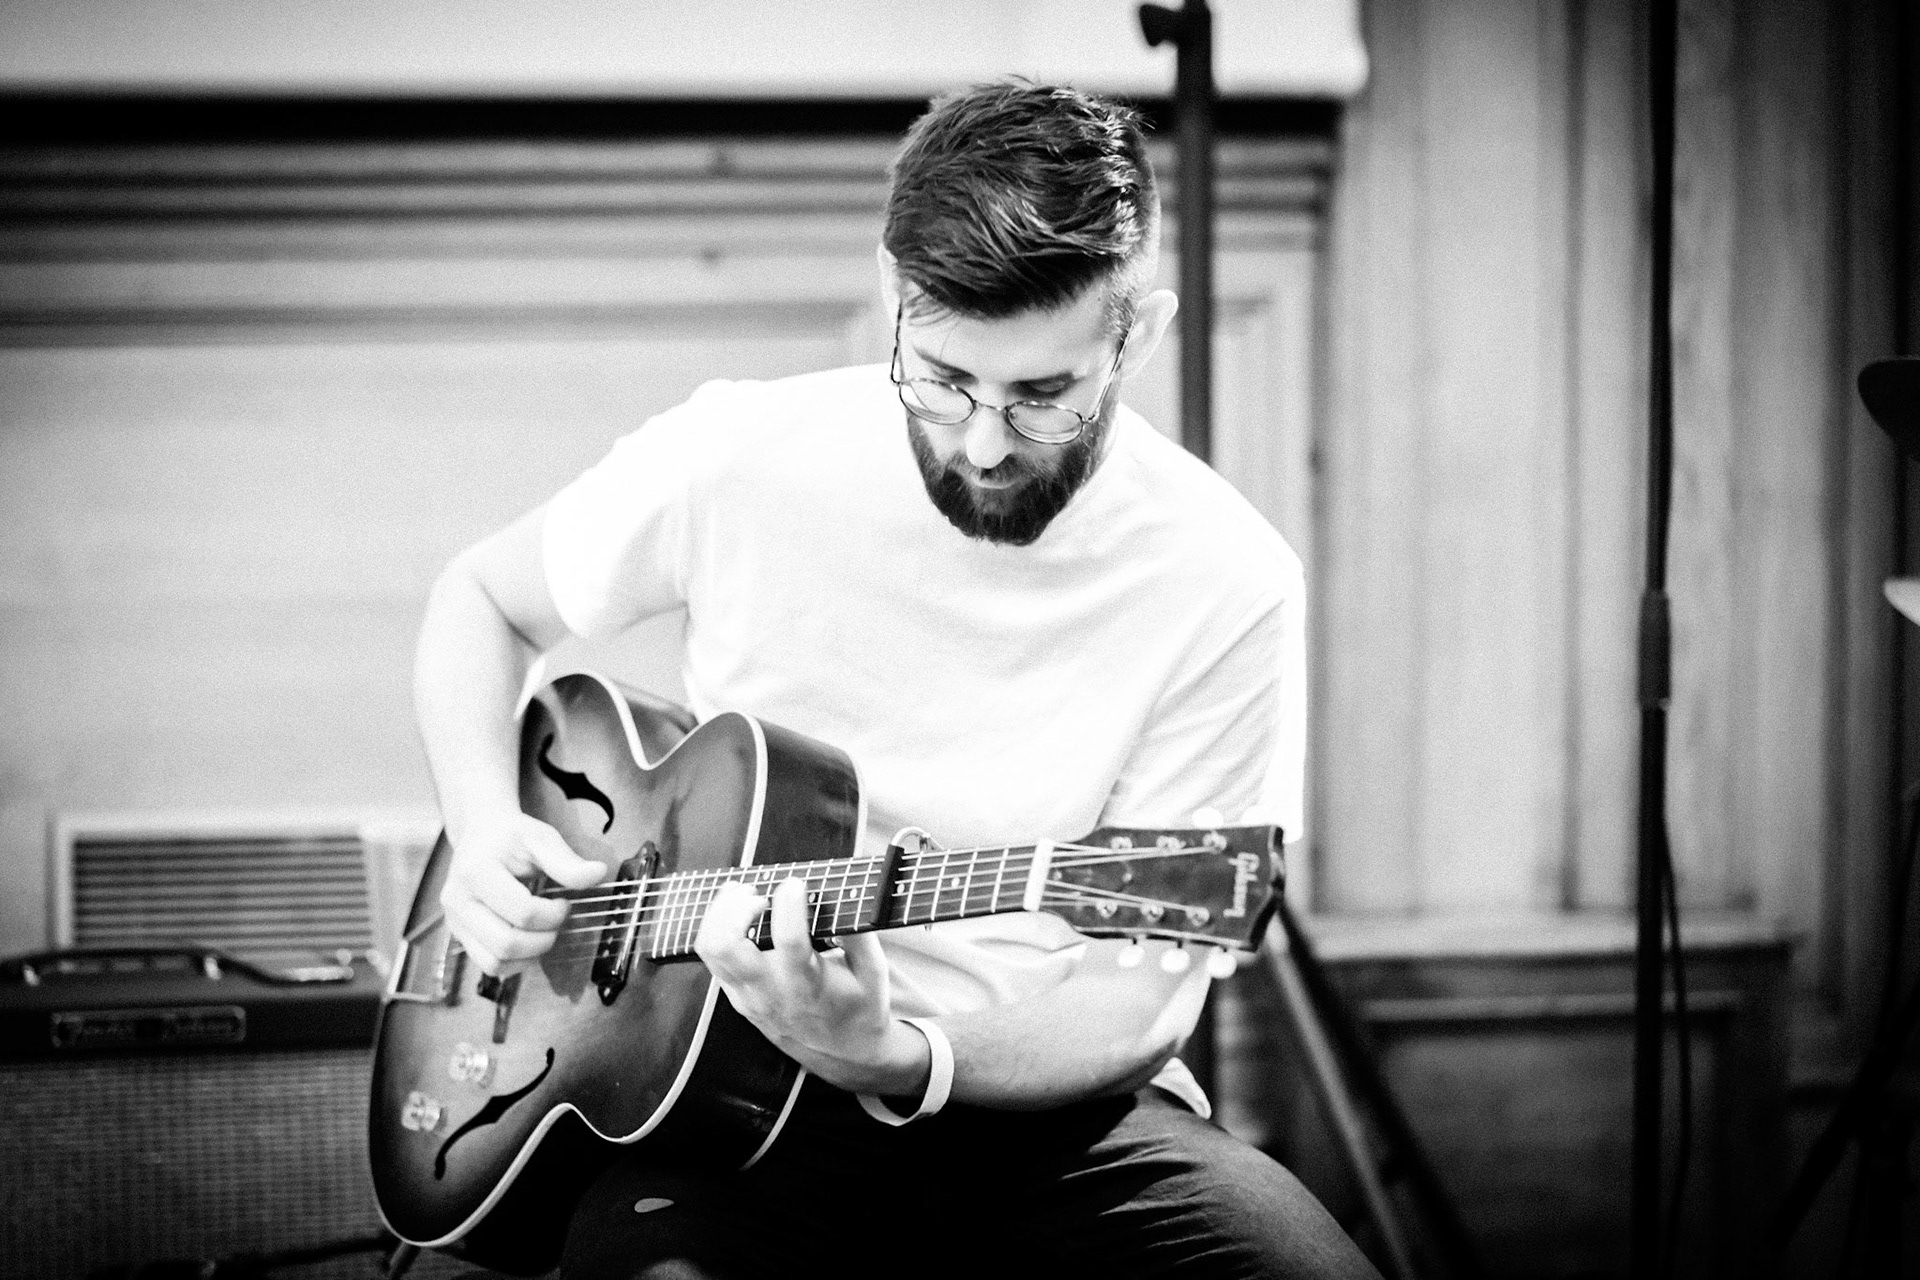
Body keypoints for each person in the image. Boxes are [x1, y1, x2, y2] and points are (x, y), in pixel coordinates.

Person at [413, 81, 1379, 1279]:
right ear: (892, 290)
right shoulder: (740, 458)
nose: (981, 444)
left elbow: (1132, 1000)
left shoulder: (1227, 579)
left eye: (1043, 396)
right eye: (942, 378)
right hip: (723, 1097)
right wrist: (481, 824)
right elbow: (480, 598)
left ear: (1137, 334)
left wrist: (897, 1054)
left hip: (1053, 1112)